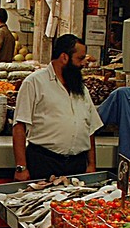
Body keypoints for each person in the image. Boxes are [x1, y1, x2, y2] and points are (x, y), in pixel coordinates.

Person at [12, 34, 103, 180]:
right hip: (44, 162)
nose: (83, 64)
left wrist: (91, 165)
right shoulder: (34, 82)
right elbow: (19, 127)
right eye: (80, 59)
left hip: (77, 165)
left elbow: (90, 127)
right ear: (64, 57)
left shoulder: (80, 88)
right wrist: (21, 167)